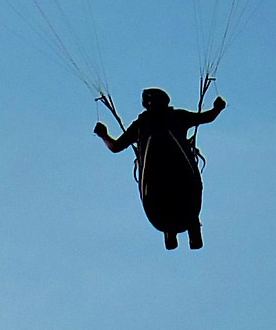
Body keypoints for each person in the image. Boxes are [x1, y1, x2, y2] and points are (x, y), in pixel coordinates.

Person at [96, 87, 226, 249]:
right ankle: (192, 229)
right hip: (183, 188)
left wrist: (103, 135)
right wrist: (218, 108)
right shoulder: (177, 116)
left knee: (165, 188)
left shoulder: (141, 124)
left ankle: (171, 233)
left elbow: (115, 146)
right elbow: (208, 117)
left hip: (157, 199)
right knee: (184, 187)